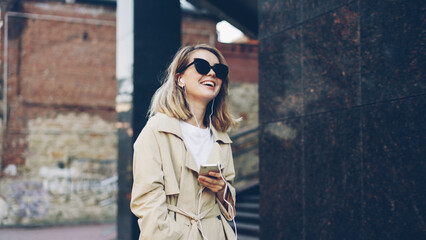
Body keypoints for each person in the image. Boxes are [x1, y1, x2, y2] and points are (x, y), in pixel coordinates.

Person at [130, 44, 239, 240]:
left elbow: (229, 202)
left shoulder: (221, 137)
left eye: (219, 70)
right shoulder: (157, 129)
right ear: (180, 78)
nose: (212, 73)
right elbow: (147, 199)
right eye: (202, 66)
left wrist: (222, 188)